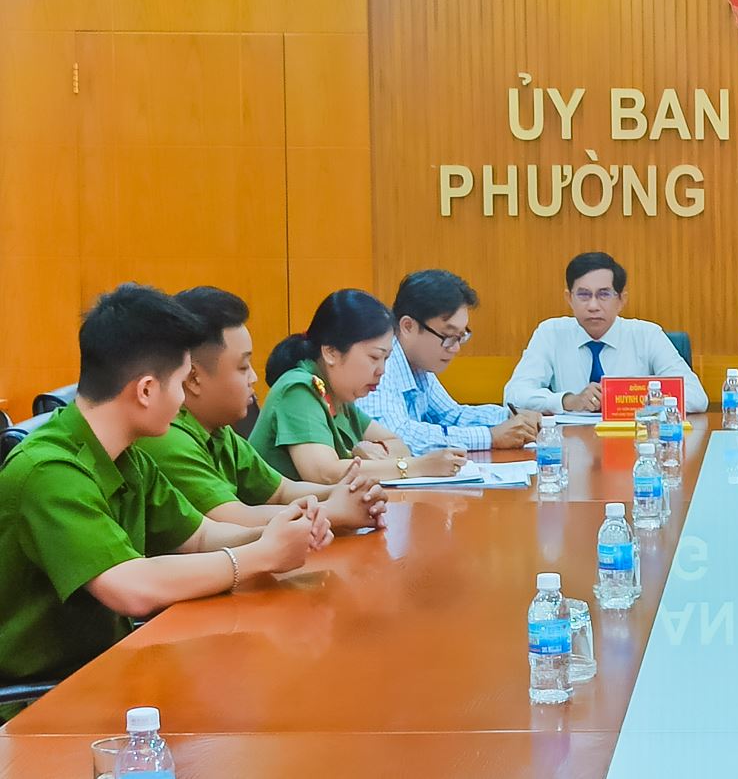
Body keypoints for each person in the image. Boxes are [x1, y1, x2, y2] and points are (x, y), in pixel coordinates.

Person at [0, 284, 326, 720]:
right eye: (180, 383)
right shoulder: (49, 471)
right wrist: (260, 556)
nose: (183, 400)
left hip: (109, 673)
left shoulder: (126, 456)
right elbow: (131, 588)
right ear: (147, 390)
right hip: (41, 706)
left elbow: (199, 537)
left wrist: (278, 531)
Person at [137, 287, 389, 531]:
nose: (254, 378)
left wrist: (348, 492)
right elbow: (233, 519)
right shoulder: (168, 436)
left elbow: (281, 491)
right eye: (243, 367)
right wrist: (333, 510)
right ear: (193, 379)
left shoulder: (220, 432)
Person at [252, 289, 468, 483]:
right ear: (331, 352)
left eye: (386, 358)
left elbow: (398, 444)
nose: (382, 370)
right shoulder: (299, 390)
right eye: (374, 357)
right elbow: (324, 473)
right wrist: (418, 467)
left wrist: (373, 450)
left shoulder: (340, 396)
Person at [357, 270, 541, 452]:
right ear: (408, 326)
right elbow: (396, 435)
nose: (455, 348)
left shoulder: (419, 366)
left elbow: (451, 415)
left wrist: (509, 416)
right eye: (448, 336)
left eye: (460, 336)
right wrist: (490, 437)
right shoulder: (380, 365)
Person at [504, 252, 708, 414]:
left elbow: (696, 397)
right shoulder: (551, 333)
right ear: (569, 299)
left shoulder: (647, 335)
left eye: (603, 294)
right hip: (571, 448)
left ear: (621, 300)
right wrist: (568, 401)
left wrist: (629, 401)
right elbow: (513, 395)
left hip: (633, 445)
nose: (593, 305)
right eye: (584, 295)